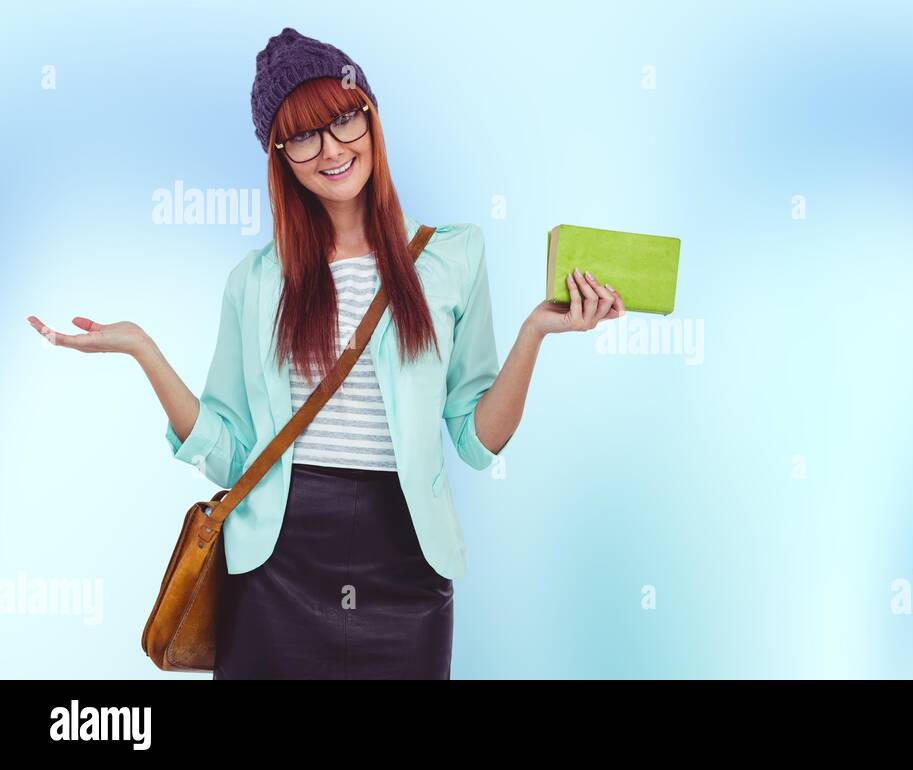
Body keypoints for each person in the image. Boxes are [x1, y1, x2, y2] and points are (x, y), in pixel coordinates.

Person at [25, 27, 624, 679]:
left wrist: (535, 331)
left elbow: (475, 441)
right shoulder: (255, 282)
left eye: (344, 120)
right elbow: (228, 451)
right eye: (304, 135)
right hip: (276, 566)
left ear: (371, 116)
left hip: (407, 563)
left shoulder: (453, 256)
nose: (332, 149)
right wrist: (143, 349)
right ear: (280, 156)